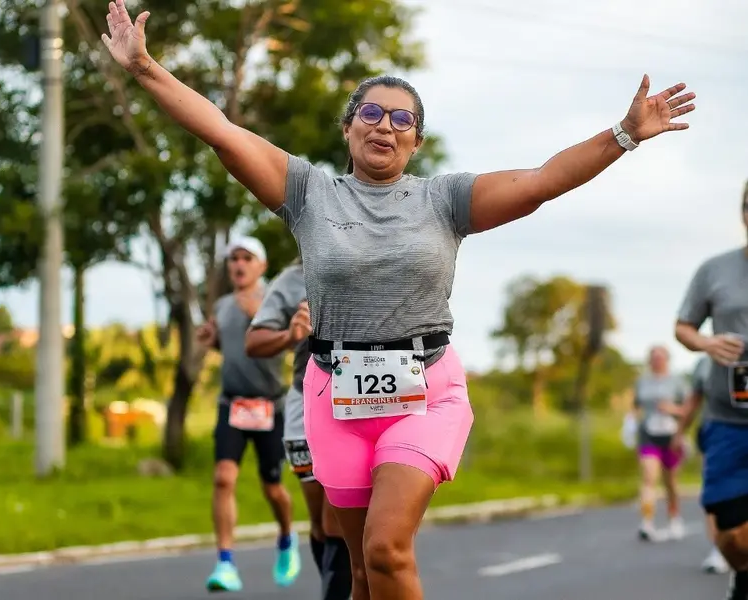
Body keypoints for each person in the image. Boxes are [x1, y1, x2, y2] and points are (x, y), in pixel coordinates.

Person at [100, 3, 696, 596]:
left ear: (416, 140)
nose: (385, 125)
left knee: (386, 549)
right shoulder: (310, 193)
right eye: (372, 112)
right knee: (360, 568)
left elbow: (541, 181)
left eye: (401, 120)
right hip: (335, 396)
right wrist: (144, 67)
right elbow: (222, 133)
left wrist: (624, 135)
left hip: (425, 390)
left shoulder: (445, 200)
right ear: (349, 126)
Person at [196, 237, 301, 592]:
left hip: (270, 406)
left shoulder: (276, 301)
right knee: (223, 478)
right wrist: (210, 337)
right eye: (233, 259)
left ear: (262, 266)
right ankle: (225, 564)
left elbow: (289, 339)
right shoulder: (222, 305)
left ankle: (287, 537)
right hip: (232, 405)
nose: (238, 265)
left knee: (273, 488)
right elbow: (228, 345)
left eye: (246, 258)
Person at [245, 257, 353, 600]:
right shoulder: (292, 278)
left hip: (356, 400)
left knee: (337, 514)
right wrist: (290, 334)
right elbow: (255, 341)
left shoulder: (371, 257)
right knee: (320, 521)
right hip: (305, 399)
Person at [674, 189, 748, 600]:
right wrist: (707, 344)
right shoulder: (715, 270)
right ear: (744, 213)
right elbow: (683, 326)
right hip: (727, 419)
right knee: (730, 530)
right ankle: (741, 571)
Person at [672, 355, 730, 574]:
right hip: (715, 434)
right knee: (716, 493)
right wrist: (679, 432)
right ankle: (719, 550)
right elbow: (693, 399)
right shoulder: (706, 362)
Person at [631, 345, 689, 541]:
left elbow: (688, 410)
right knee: (649, 477)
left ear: (667, 360)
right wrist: (630, 424)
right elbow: (635, 406)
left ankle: (674, 518)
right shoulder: (642, 382)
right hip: (648, 434)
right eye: (654, 358)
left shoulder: (678, 382)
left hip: (671, 436)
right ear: (649, 361)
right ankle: (646, 523)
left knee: (670, 482)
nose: (657, 361)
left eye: (661, 357)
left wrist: (672, 409)